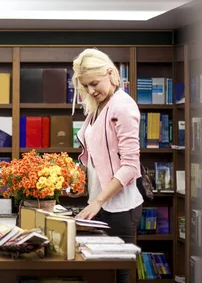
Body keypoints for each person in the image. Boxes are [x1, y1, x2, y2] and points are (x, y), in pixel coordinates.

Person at [71, 48, 143, 283]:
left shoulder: (123, 106)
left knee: (117, 272)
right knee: (99, 271)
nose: (91, 91)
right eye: (85, 86)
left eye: (94, 83)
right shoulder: (98, 106)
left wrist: (99, 200)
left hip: (119, 206)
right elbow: (96, 155)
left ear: (111, 74)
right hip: (100, 200)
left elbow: (131, 166)